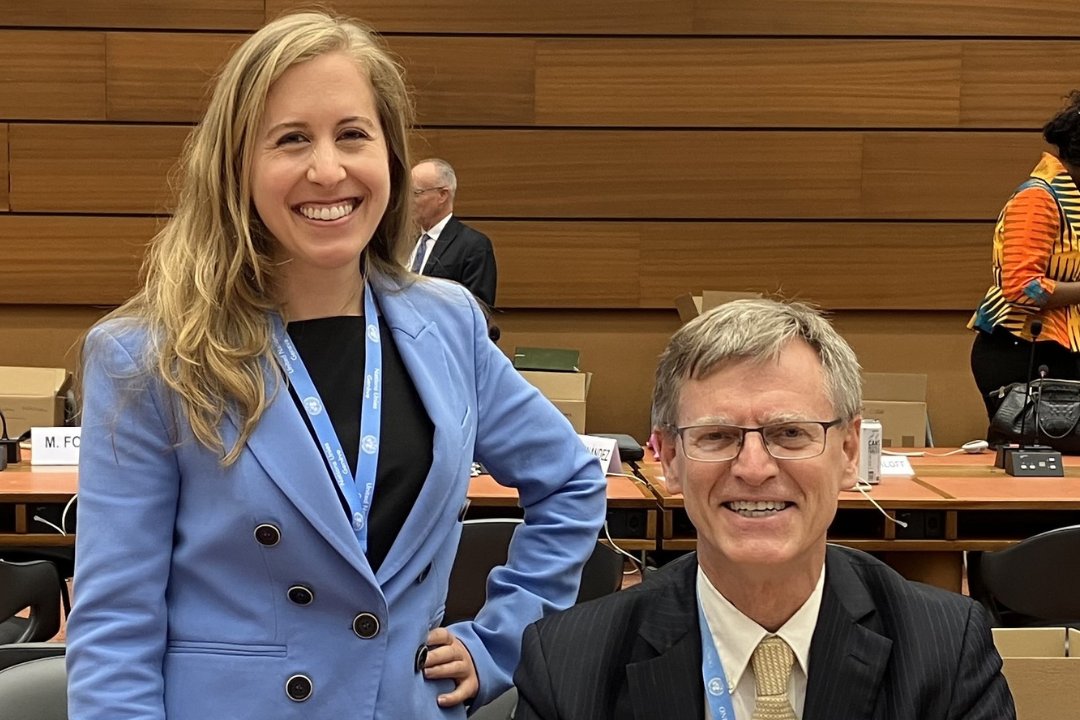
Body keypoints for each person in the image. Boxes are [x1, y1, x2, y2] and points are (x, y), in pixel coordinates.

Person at [66, 13, 606, 720]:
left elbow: (570, 484)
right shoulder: (148, 354)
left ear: (389, 154)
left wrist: (497, 642)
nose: (328, 169)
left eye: (353, 134)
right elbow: (115, 630)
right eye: (292, 139)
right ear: (237, 166)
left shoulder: (450, 324)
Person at [515, 299, 1015, 720]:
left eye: (790, 434)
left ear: (847, 453)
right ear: (667, 458)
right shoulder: (567, 667)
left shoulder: (946, 652)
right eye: (716, 436)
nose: (754, 469)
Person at [970, 91, 1080, 431]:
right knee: (1033, 465)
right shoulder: (1038, 199)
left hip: (1060, 349)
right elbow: (1022, 287)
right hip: (1022, 350)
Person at [409, 158, 498, 308]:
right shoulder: (404, 242)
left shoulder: (473, 246)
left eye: (416, 193)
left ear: (443, 195)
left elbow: (478, 310)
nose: (408, 200)